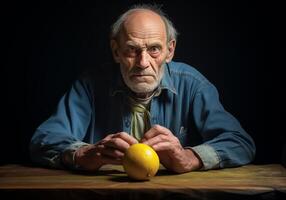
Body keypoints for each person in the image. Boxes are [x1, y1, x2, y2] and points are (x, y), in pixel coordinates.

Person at [30, 4, 256, 173]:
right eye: (132, 50)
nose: (142, 62)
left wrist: (190, 158)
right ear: (116, 51)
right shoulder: (89, 85)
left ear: (170, 51)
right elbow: (44, 141)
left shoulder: (193, 85)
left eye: (154, 49)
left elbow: (240, 143)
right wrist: (81, 154)